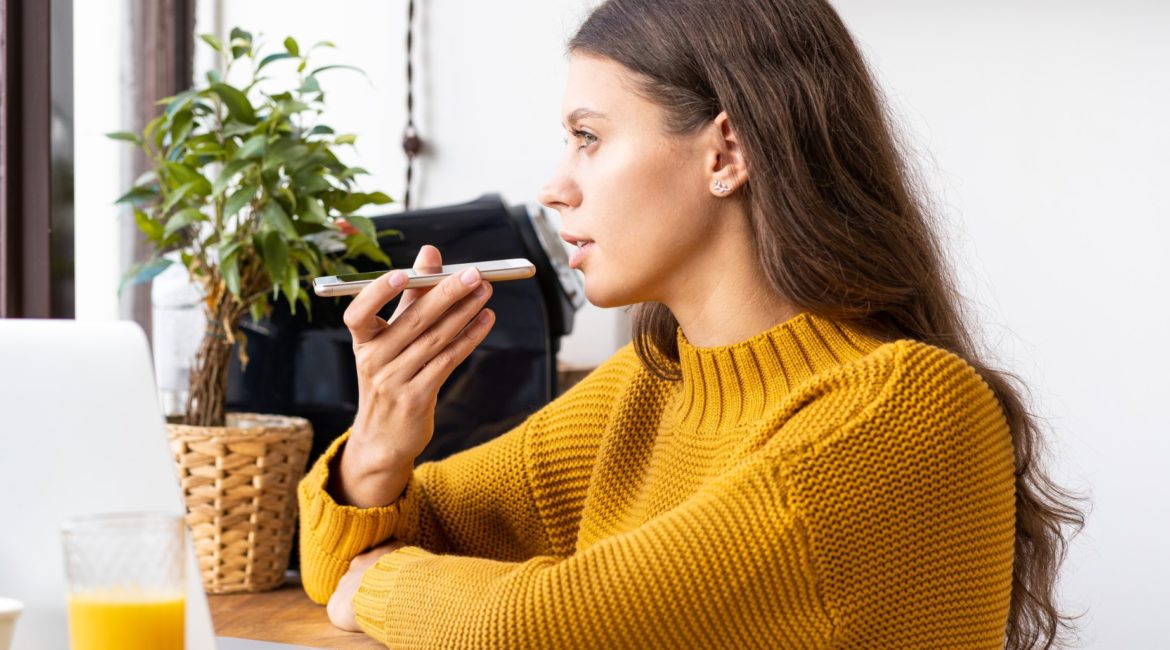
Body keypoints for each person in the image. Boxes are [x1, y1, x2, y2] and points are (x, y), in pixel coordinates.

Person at [297, 0, 1083, 647]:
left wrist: (386, 584)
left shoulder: (911, 410)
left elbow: (545, 625)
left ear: (725, 152)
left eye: (589, 138)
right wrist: (380, 438)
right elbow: (338, 567)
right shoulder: (651, 385)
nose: (555, 187)